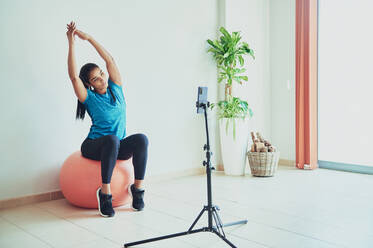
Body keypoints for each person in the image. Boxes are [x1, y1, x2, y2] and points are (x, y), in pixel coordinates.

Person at [66, 21, 148, 217]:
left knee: (141, 139)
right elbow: (73, 77)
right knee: (111, 139)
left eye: (101, 74)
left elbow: (109, 60)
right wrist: (72, 43)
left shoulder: (116, 89)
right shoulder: (89, 98)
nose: (102, 79)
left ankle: (137, 190)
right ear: (90, 84)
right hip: (94, 145)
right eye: (96, 78)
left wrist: (89, 38)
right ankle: (105, 194)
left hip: (117, 146)